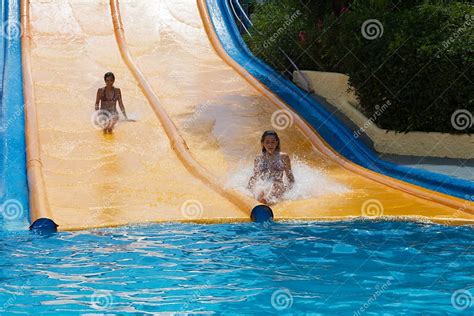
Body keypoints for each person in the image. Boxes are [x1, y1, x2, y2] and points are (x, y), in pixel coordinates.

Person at [247, 130, 295, 205]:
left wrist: (290, 191)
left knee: (275, 185)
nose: (270, 145)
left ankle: (265, 201)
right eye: (267, 142)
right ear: (263, 143)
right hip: (263, 184)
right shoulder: (258, 158)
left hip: (278, 185)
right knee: (259, 191)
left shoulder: (284, 157)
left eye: (273, 142)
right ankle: (260, 201)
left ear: (277, 142)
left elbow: (290, 176)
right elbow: (255, 176)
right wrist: (248, 189)